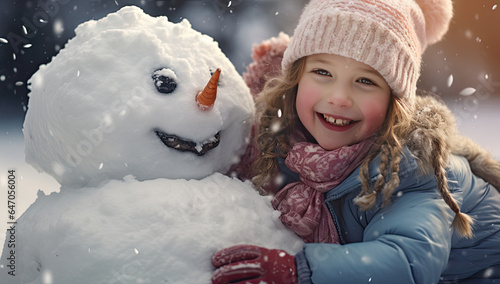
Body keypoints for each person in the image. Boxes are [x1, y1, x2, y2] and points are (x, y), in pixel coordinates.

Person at [211, 0, 500, 283]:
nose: (339, 97)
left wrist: (300, 269)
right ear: (296, 80)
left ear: (393, 104)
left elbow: (408, 261)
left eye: (365, 81)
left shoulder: (414, 171)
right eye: (323, 72)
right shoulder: (277, 140)